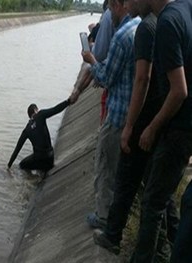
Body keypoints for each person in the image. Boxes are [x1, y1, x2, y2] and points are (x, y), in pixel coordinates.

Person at [92, 0, 178, 258]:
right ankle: (165, 247)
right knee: (158, 194)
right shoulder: (158, 23)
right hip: (155, 121)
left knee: (128, 182)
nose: (129, 7)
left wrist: (132, 126)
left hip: (131, 117)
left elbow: (141, 79)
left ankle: (115, 233)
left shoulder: (140, 30)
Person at [130, 0, 192, 261]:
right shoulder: (187, 8)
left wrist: (151, 128)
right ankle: (167, 250)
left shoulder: (166, 23)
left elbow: (179, 90)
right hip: (186, 128)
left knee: (152, 202)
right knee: (166, 196)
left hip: (177, 128)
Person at [82, 0, 140, 229]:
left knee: (105, 168)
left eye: (110, 7)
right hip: (132, 113)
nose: (109, 13)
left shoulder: (122, 36)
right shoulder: (139, 27)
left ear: (118, 5)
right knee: (120, 171)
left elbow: (105, 77)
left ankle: (104, 217)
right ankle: (117, 216)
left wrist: (91, 60)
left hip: (117, 115)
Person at [7, 99, 69, 172]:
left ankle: (31, 179)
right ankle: (41, 172)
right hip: (50, 158)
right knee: (39, 156)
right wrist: (68, 101)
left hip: (39, 159)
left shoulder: (26, 130)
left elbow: (17, 150)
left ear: (29, 116)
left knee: (22, 164)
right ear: (36, 110)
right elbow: (55, 109)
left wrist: (8, 166)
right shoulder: (41, 114)